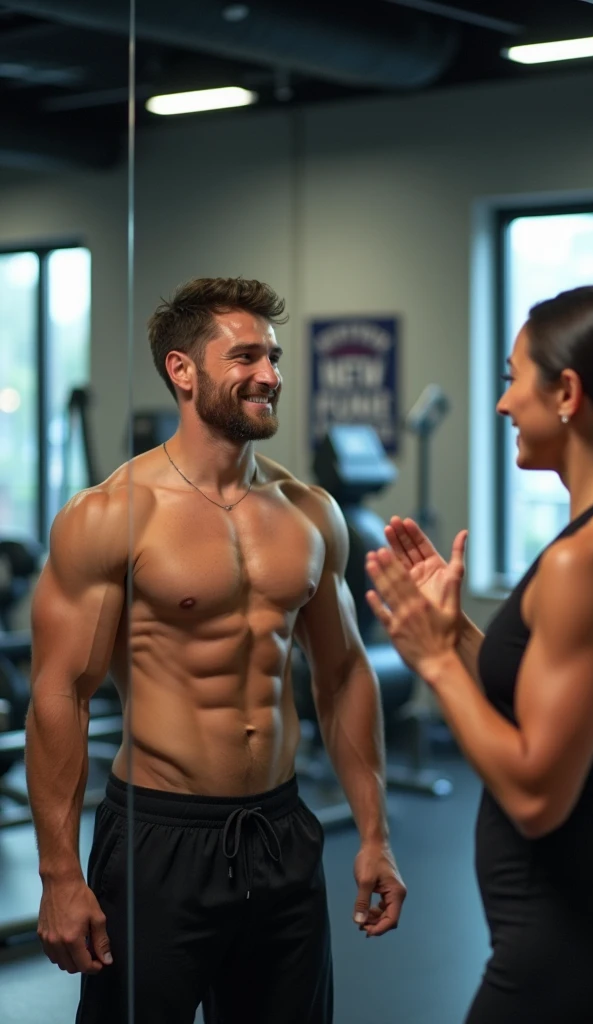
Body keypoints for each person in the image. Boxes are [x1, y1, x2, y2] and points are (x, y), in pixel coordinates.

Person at [25, 276, 406, 1024]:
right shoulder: (111, 516)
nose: (270, 375)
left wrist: (375, 834)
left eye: (274, 357)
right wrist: (60, 874)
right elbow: (58, 693)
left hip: (281, 833)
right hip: (159, 840)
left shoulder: (308, 513)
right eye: (246, 357)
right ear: (183, 370)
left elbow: (342, 674)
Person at [366, 285, 593, 1024]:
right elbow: (539, 689)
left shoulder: (590, 560)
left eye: (514, 378)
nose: (504, 403)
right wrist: (452, 633)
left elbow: (538, 798)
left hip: (573, 939)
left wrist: (438, 664)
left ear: (567, 391)